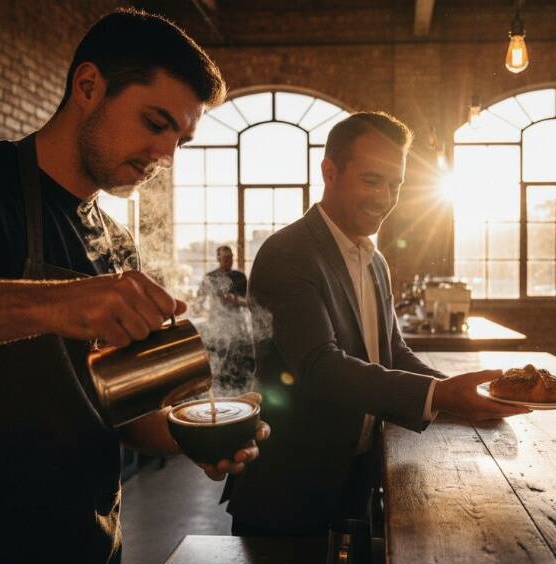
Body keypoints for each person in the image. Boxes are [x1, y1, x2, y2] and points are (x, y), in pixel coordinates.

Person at [0, 10, 269, 564]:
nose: (164, 154)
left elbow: (127, 414)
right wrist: (51, 303)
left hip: (89, 556)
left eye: (179, 139)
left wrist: (199, 437)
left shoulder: (116, 242)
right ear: (88, 86)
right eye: (155, 123)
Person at [224, 112, 528, 537]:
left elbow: (393, 352)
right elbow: (319, 368)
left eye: (396, 184)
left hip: (358, 478)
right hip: (291, 491)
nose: (385, 198)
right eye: (372, 180)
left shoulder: (375, 260)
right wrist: (440, 394)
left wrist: (463, 395)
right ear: (330, 171)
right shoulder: (287, 253)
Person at [196, 246, 254, 391]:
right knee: (219, 358)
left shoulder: (240, 277)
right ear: (218, 259)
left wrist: (235, 300)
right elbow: (199, 301)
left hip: (238, 325)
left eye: (231, 257)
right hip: (216, 323)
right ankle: (219, 387)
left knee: (239, 358)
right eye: (226, 258)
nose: (229, 261)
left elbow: (249, 302)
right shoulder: (210, 277)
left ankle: (240, 388)